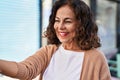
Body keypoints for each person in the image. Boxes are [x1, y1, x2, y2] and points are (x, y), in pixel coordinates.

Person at [0, 0, 111, 80]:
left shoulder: (96, 58)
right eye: (57, 20)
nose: (60, 26)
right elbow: (25, 71)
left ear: (81, 25)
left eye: (67, 21)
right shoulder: (48, 52)